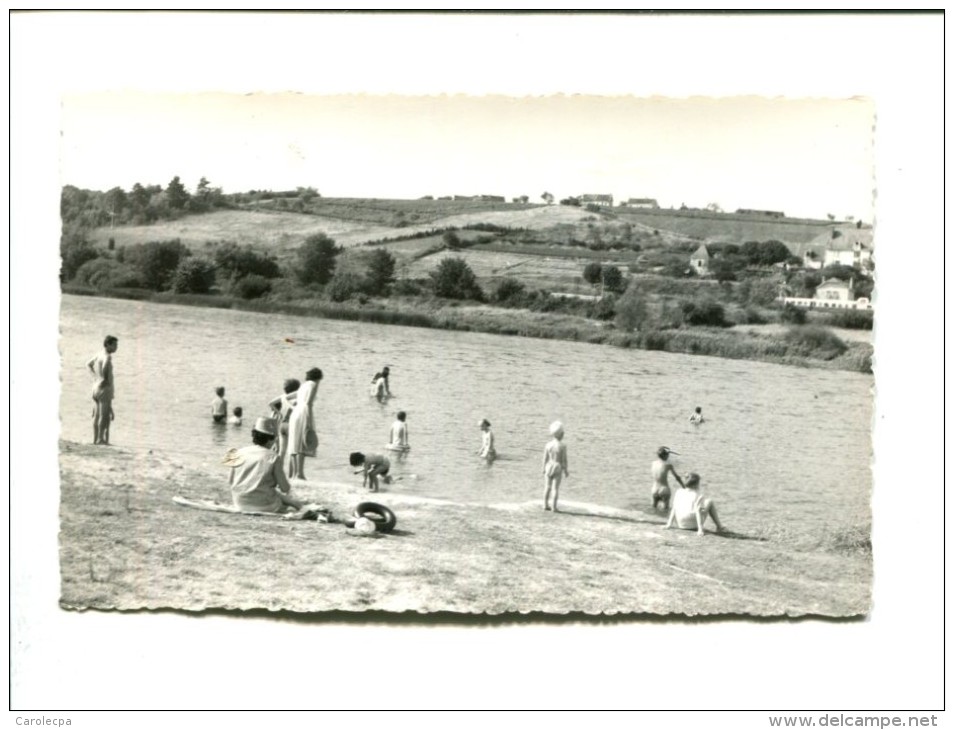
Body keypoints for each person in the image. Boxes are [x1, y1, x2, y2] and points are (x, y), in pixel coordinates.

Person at [226, 417, 310, 514]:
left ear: (254, 435)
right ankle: (299, 505)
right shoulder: (273, 457)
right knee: (279, 495)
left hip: (239, 502)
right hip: (264, 505)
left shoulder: (237, 452)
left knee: (267, 490)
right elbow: (285, 488)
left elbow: (230, 481)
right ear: (271, 439)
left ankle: (297, 504)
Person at [287, 368, 322, 481]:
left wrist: (293, 407)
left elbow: (287, 398)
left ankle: (293, 475)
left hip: (295, 413)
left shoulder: (303, 385)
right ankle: (300, 474)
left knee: (294, 443)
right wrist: (310, 420)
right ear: (318, 378)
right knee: (302, 442)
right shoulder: (313, 385)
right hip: (304, 412)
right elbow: (309, 403)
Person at [665, 472, 724, 536]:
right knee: (709, 501)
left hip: (681, 524)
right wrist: (700, 530)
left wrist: (669, 524)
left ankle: (719, 527)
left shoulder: (678, 492)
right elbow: (698, 511)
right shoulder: (698, 495)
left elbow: (674, 508)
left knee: (696, 506)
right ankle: (719, 526)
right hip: (692, 525)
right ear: (695, 484)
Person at [86, 335, 118, 445]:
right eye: (114, 345)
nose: (116, 347)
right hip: (104, 389)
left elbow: (88, 364)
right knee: (103, 416)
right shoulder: (107, 356)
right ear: (108, 345)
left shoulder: (99, 354)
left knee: (97, 415)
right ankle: (100, 439)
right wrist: (105, 379)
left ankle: (95, 439)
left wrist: (95, 377)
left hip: (95, 387)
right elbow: (104, 366)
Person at [268, 378, 301, 476]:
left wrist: (279, 413)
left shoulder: (283, 397)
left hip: (282, 425)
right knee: (292, 452)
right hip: (291, 425)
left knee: (281, 453)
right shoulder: (297, 398)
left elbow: (270, 403)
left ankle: (277, 473)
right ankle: (290, 475)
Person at [542, 421, 569, 512]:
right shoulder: (562, 446)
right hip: (557, 466)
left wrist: (543, 468)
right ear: (561, 434)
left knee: (547, 486)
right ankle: (554, 506)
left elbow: (545, 458)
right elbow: (564, 460)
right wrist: (565, 470)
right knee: (555, 488)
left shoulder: (548, 445)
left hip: (549, 465)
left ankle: (545, 504)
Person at [651, 446, 684, 511]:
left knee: (654, 508)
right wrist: (684, 487)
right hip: (664, 489)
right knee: (666, 510)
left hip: (654, 489)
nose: (668, 456)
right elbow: (677, 478)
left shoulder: (653, 463)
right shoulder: (668, 465)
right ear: (665, 456)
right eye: (668, 455)